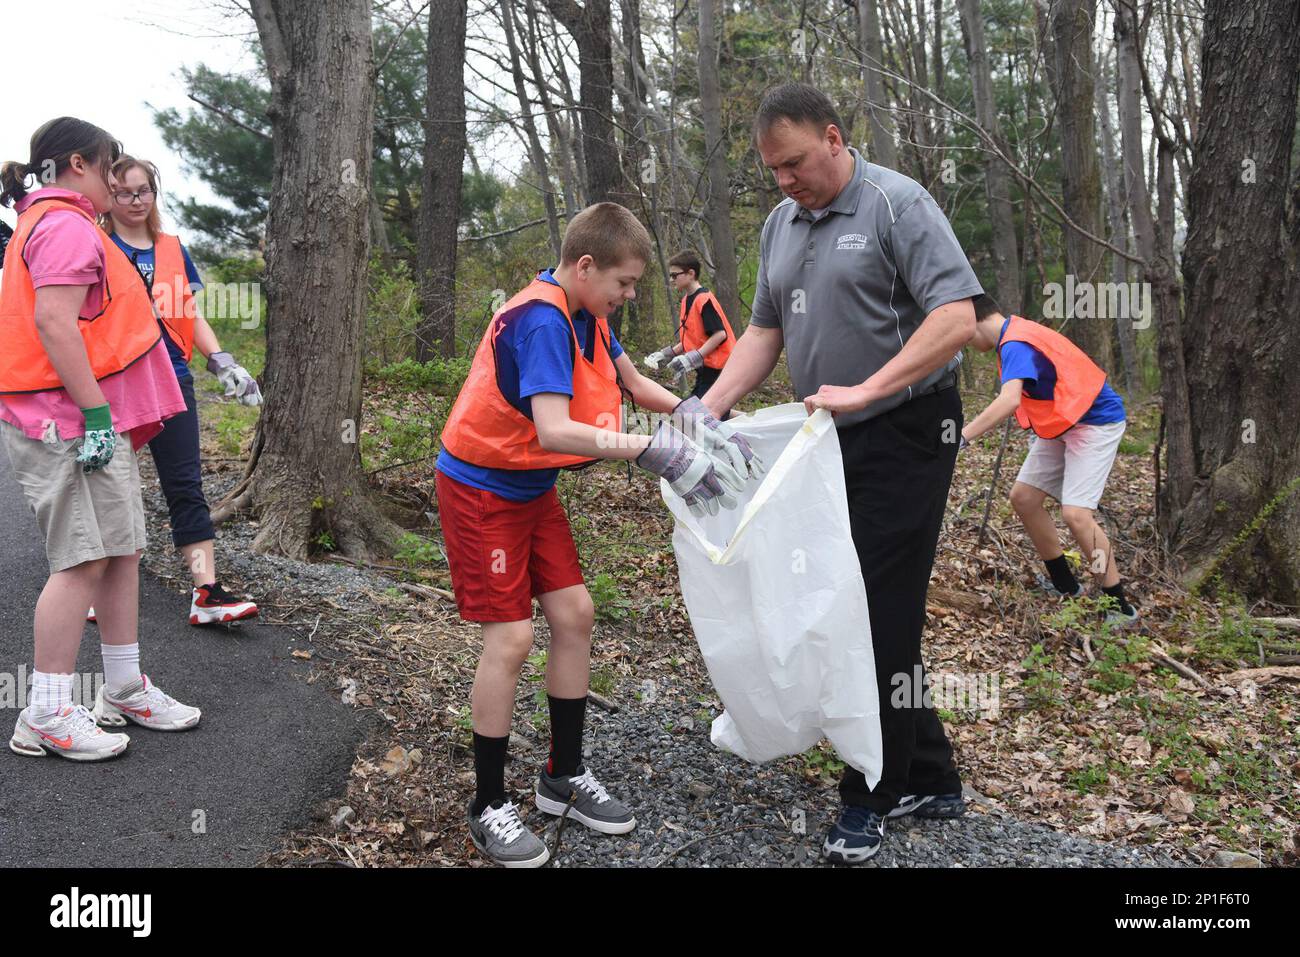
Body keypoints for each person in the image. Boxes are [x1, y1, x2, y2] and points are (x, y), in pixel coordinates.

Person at [699, 83, 984, 863]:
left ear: (832, 138)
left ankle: (871, 793)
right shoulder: (779, 225)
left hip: (909, 430)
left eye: (795, 163)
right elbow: (763, 332)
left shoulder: (898, 203)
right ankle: (932, 773)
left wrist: (869, 386)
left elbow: (957, 317)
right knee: (841, 598)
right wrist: (712, 404)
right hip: (826, 442)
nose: (786, 180)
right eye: (773, 171)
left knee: (875, 612)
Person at [435, 202, 762, 866]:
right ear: (586, 267)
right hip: (481, 490)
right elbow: (554, 428)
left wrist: (705, 416)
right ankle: (489, 804)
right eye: (625, 282)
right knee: (513, 636)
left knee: (576, 614)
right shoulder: (540, 321)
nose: (631, 294)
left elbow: (635, 382)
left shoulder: (589, 313)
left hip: (531, 485)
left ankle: (563, 773)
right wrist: (650, 450)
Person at [1, 117, 201, 761]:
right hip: (64, 419)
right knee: (82, 558)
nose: (119, 180)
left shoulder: (63, 220)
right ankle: (46, 714)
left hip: (91, 417)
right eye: (111, 165)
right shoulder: (61, 224)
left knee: (119, 549)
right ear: (79, 163)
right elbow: (54, 324)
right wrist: (91, 414)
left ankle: (121, 687)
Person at [99, 155, 260, 626]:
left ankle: (206, 592)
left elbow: (186, 310)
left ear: (154, 193)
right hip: (114, 383)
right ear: (109, 196)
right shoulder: (96, 243)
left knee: (186, 487)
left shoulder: (170, 247)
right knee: (109, 488)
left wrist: (221, 360)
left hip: (171, 380)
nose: (133, 200)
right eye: (123, 192)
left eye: (142, 190)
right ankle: (94, 588)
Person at [960, 294, 1138, 624]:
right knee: (1024, 499)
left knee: (1076, 515)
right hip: (1062, 422)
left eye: (964, 333)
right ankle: (1065, 585)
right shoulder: (1011, 335)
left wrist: (963, 436)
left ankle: (1119, 606)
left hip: (1096, 421)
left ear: (973, 322)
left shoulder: (1015, 343)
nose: (966, 343)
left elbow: (1009, 400)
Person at [643, 250, 737, 412]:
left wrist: (694, 357)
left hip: (720, 368)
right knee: (706, 410)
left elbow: (720, 334)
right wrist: (666, 354)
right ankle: (747, 422)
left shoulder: (704, 300)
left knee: (700, 411)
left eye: (675, 275)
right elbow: (692, 339)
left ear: (691, 273)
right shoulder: (688, 299)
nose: (671, 280)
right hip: (707, 369)